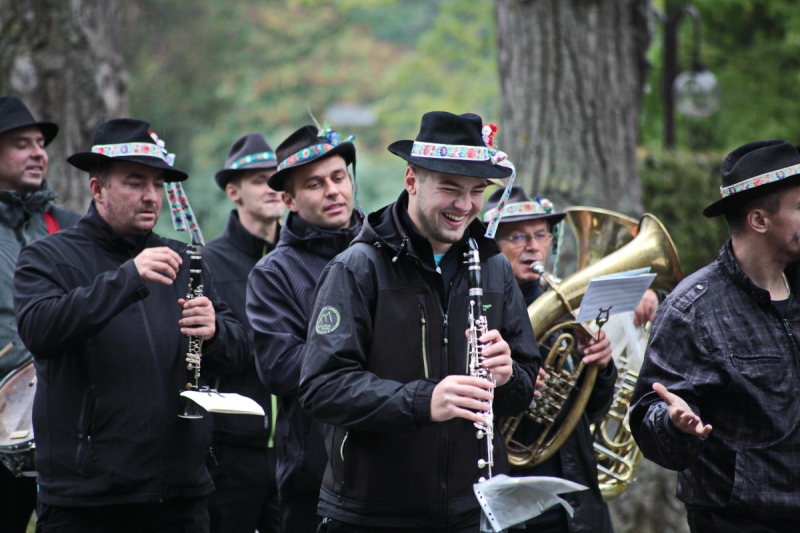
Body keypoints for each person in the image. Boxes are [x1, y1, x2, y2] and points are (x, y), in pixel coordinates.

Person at [298, 111, 539, 532]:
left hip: (476, 509)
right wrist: (424, 401)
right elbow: (321, 388)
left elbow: (523, 388)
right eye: (450, 188)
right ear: (412, 180)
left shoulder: (494, 266)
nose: (465, 205)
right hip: (375, 514)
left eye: (477, 191)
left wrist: (508, 377)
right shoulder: (357, 268)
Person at [13, 118, 250, 532]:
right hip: (86, 500)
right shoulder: (47, 256)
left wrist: (215, 332)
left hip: (180, 496)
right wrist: (128, 278)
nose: (151, 196)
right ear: (98, 189)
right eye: (135, 183)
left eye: (158, 185)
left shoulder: (185, 259)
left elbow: (239, 354)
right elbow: (40, 331)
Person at [630, 140, 800, 533]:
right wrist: (673, 425)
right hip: (738, 521)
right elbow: (648, 420)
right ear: (759, 220)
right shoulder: (692, 310)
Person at [246, 123, 362, 533]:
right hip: (314, 478)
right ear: (288, 200)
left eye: (338, 177)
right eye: (315, 184)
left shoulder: (389, 252)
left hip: (396, 471)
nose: (333, 191)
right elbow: (280, 368)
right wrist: (367, 352)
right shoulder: (273, 273)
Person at [485, 186, 615, 533]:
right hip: (510, 492)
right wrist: (514, 386)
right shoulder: (479, 309)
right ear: (492, 245)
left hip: (572, 492)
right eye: (518, 236)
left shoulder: (566, 313)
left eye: (541, 235)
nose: (533, 246)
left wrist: (600, 368)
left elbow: (591, 413)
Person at [0, 96, 80, 533]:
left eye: (40, 144)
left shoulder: (69, 226)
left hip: (65, 425)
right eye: (21, 144)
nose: (38, 154)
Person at [203, 133, 283, 533]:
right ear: (233, 191)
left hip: (294, 450)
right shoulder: (207, 262)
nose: (272, 187)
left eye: (277, 178)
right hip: (229, 453)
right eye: (259, 180)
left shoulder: (300, 258)